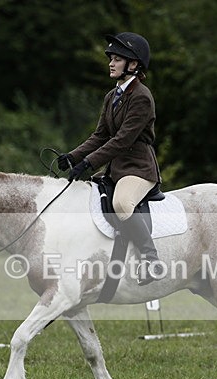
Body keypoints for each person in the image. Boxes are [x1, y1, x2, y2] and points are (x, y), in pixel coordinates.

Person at [58, 32, 163, 285]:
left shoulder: (142, 97)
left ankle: (151, 260)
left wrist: (89, 163)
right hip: (116, 169)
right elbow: (100, 136)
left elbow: (122, 140)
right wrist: (73, 157)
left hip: (138, 170)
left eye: (117, 59)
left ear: (133, 65)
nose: (111, 63)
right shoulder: (111, 96)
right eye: (111, 59)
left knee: (123, 204)